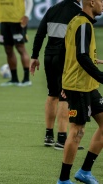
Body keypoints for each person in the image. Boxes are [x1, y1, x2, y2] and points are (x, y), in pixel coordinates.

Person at [56, 0, 103, 183]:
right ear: (91, 3)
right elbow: (81, 56)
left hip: (87, 85)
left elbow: (63, 51)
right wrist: (101, 77)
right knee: (77, 131)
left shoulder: (76, 21)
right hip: (78, 87)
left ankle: (84, 171)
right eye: (100, 0)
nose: (102, 4)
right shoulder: (83, 24)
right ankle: (63, 179)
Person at [30, 0, 82, 150]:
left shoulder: (52, 9)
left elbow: (40, 33)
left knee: (52, 94)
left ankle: (49, 135)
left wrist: (34, 56)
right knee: (65, 95)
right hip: (65, 57)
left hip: (49, 55)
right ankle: (62, 138)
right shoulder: (78, 11)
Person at [0, 0, 33, 87]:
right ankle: (14, 79)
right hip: (3, 19)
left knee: (20, 48)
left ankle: (26, 79)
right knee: (8, 49)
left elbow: (29, 1)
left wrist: (26, 15)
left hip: (18, 20)